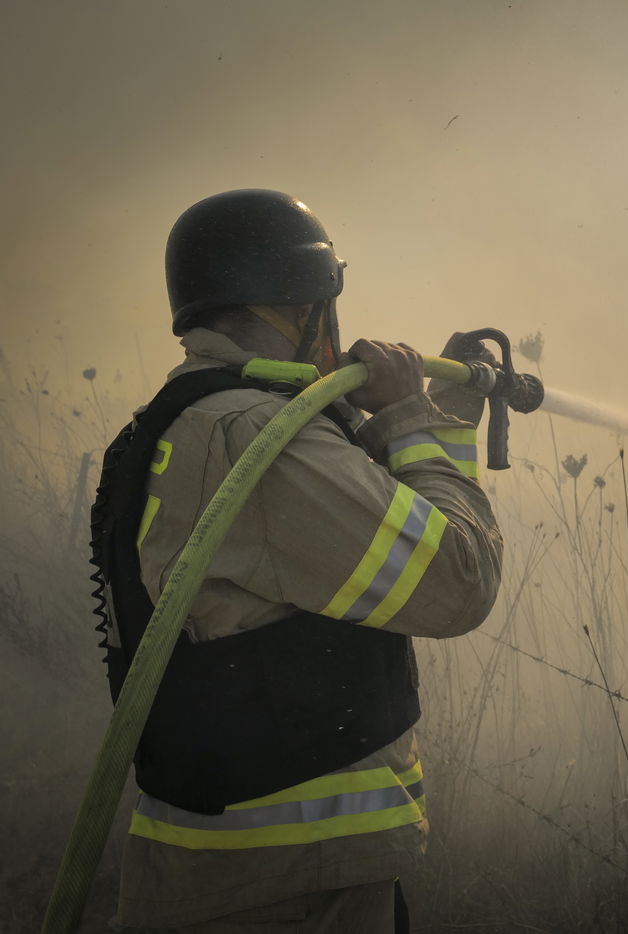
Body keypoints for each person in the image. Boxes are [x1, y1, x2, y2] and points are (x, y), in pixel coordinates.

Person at [91, 189, 503, 932]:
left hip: (232, 871)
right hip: (290, 887)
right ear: (304, 303)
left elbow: (336, 518)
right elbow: (458, 582)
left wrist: (435, 412)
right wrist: (412, 417)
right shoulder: (259, 438)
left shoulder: (197, 416)